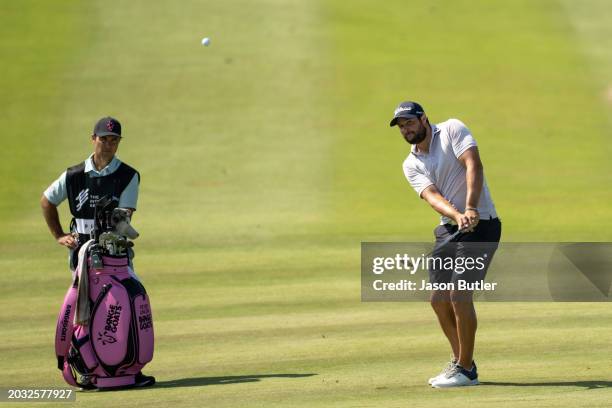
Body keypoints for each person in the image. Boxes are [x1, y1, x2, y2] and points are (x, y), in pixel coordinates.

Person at [390, 101, 501, 388]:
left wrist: (471, 208)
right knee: (438, 299)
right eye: (401, 127)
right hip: (449, 229)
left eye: (410, 123)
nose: (406, 130)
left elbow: (473, 164)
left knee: (459, 295)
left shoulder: (452, 129)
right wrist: (456, 214)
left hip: (482, 224)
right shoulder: (410, 163)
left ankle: (466, 369)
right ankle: (461, 362)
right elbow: (431, 195)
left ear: (424, 118)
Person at [41, 116, 154, 388]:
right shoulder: (74, 175)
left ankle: (127, 367)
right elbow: (47, 201)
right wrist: (59, 235)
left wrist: (113, 224)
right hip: (82, 253)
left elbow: (124, 217)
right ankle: (90, 370)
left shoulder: (128, 175)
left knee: (122, 308)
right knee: (85, 311)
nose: (109, 144)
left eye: (114, 140)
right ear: (93, 139)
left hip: (116, 255)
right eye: (104, 139)